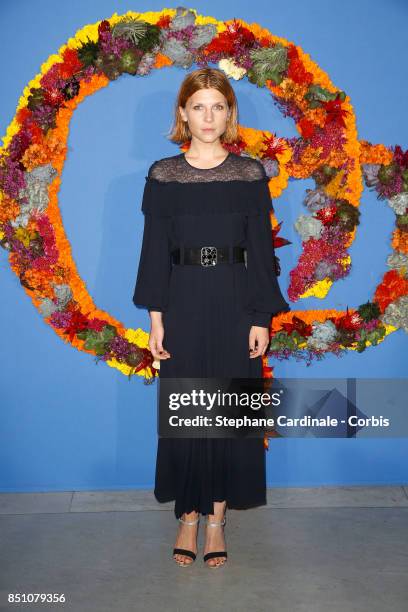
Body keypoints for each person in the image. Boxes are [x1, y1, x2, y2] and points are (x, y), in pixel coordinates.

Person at [133, 68, 290, 568]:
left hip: (235, 298)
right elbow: (154, 251)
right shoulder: (163, 174)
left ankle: (217, 520)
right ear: (183, 113)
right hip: (180, 300)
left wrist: (261, 316)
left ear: (230, 114)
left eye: (217, 107)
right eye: (198, 106)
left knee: (228, 415)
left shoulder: (249, 173)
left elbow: (262, 253)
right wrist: (157, 320)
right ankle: (188, 515)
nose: (208, 116)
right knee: (187, 411)